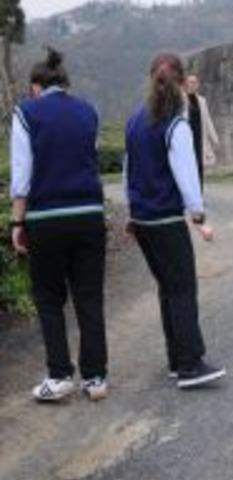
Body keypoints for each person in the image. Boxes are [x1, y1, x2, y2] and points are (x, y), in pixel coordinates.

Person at [9, 48, 109, 401]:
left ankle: (60, 375)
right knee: (89, 296)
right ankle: (95, 379)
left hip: (47, 218)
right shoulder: (89, 111)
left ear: (36, 87)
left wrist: (17, 222)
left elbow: (21, 177)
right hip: (89, 215)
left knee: (49, 298)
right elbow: (90, 160)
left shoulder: (26, 112)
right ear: (65, 84)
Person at [124, 53, 226, 389]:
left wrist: (130, 213)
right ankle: (190, 364)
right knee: (182, 289)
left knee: (167, 288)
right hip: (166, 219)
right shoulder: (175, 124)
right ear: (183, 84)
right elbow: (186, 176)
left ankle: (175, 359)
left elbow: (128, 173)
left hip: (142, 219)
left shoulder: (135, 121)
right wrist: (198, 216)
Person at [183, 74, 220, 190]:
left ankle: (199, 193)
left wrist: (215, 139)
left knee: (199, 166)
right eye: (190, 82)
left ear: (198, 85)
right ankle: (188, 193)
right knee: (188, 167)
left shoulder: (202, 101)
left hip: (200, 138)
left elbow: (208, 120)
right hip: (186, 138)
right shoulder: (181, 100)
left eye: (195, 83)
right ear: (186, 84)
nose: (192, 85)